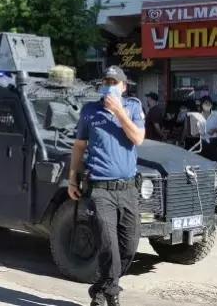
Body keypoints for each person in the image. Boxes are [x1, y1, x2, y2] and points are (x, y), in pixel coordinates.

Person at [69, 66, 145, 306]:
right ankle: (112, 295)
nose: (110, 85)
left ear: (124, 86)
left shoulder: (133, 106)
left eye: (115, 81)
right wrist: (72, 177)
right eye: (107, 80)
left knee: (129, 245)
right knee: (108, 245)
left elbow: (138, 139)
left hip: (128, 189)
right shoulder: (90, 111)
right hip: (100, 189)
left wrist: (119, 113)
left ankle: (101, 291)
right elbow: (79, 146)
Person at [197, 96, 217, 164]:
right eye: (205, 103)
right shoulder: (198, 116)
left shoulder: (216, 114)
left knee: (216, 165)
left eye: (209, 103)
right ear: (202, 104)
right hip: (202, 144)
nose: (207, 105)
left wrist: (215, 130)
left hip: (215, 143)